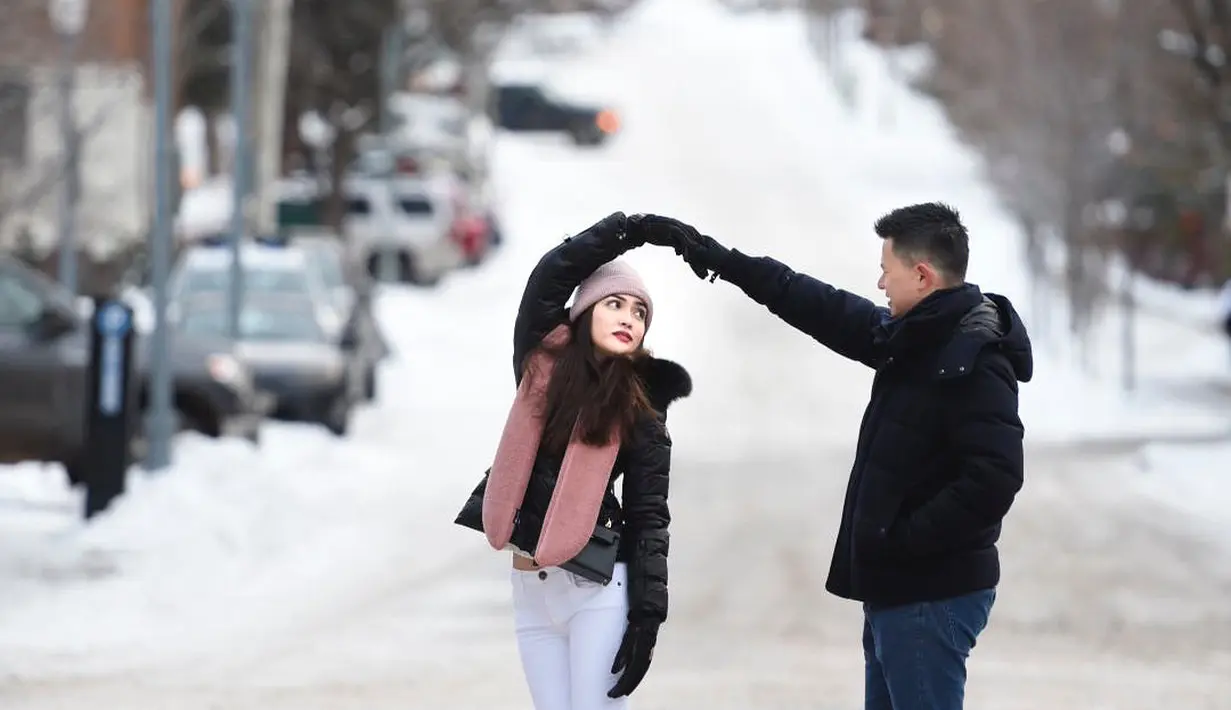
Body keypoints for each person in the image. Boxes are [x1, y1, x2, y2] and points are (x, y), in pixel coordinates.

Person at [639, 203, 1032, 710]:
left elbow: (996, 477)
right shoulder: (914, 338)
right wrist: (720, 259)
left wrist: (904, 539)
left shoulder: (973, 358)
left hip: (928, 596)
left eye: (887, 271)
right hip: (900, 592)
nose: (880, 284)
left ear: (922, 274)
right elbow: (815, 303)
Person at [470, 212, 691, 710]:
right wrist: (627, 230)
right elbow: (550, 277)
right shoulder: (539, 367)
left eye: (638, 312)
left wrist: (646, 617)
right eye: (614, 304)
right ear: (585, 311)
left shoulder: (642, 405)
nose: (628, 318)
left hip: (597, 589)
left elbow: (649, 514)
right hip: (530, 587)